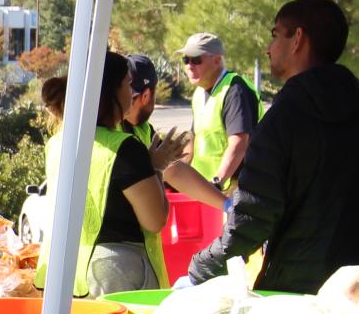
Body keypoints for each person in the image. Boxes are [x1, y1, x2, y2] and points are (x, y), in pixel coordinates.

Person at [184, 0, 359, 294]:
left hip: (297, 301)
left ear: (298, 39)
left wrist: (200, 269)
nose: (268, 47)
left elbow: (252, 219)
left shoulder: (281, 120)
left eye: (275, 35)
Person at [42, 51, 177, 296]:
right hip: (116, 272)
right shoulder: (125, 148)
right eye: (127, 83)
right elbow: (155, 219)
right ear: (110, 92)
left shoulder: (58, 143)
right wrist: (156, 167)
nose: (132, 92)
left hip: (68, 273)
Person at [123, 54, 225, 210]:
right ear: (146, 95)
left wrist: (228, 205)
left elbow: (174, 171)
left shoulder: (142, 129)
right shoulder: (112, 132)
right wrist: (153, 167)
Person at [177, 32, 260, 191]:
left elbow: (239, 143)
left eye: (196, 60)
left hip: (232, 189)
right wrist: (178, 178)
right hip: (205, 189)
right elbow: (194, 141)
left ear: (216, 60)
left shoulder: (235, 89)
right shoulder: (199, 93)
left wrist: (217, 182)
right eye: (185, 60)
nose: (189, 66)